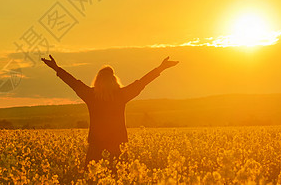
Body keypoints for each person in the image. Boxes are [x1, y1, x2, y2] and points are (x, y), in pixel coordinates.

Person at [41, 54, 179, 164]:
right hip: (117, 145)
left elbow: (73, 82)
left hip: (96, 145)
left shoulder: (91, 95)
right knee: (119, 177)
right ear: (114, 80)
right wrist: (160, 68)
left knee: (92, 180)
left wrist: (56, 68)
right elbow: (141, 83)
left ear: (97, 80)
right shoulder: (121, 95)